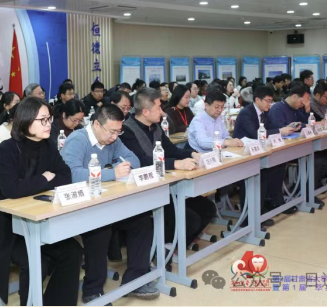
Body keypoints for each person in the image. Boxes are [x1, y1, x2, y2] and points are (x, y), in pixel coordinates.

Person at [0, 98, 81, 306]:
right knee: (35, 261)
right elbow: (12, 190)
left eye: (49, 119)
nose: (48, 124)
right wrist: (44, 179)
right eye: (42, 120)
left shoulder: (48, 146)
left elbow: (65, 176)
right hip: (5, 228)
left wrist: (35, 183)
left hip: (36, 220)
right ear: (25, 120)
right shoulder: (7, 149)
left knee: (73, 252)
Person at [60, 105, 158, 302]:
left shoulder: (113, 139)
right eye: (112, 131)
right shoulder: (78, 140)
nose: (115, 137)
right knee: (100, 230)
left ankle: (135, 280)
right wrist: (111, 172)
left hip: (106, 201)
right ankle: (92, 289)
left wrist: (111, 168)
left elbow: (134, 160)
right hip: (79, 206)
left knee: (142, 221)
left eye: (118, 131)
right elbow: (71, 174)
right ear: (97, 124)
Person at [121, 88, 214, 247]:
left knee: (208, 208)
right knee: (190, 220)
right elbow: (142, 161)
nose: (162, 112)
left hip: (164, 184)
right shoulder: (127, 130)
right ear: (145, 112)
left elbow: (171, 150)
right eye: (158, 107)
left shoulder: (155, 126)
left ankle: (174, 246)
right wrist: (176, 164)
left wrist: (192, 154)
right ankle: (160, 246)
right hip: (143, 189)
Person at [232, 86, 297, 219]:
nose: (269, 104)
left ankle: (275, 203)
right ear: (257, 100)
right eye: (267, 101)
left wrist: (285, 129)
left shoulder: (265, 112)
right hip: (243, 153)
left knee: (279, 165)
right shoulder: (246, 113)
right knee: (263, 174)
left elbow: (272, 128)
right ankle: (255, 215)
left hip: (259, 151)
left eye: (271, 101)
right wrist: (280, 131)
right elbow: (255, 134)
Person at [268, 85, 327, 203]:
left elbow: (307, 124)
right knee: (318, 162)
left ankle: (306, 190)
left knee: (326, 159)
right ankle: (305, 194)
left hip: (299, 145)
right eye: (303, 101)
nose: (304, 104)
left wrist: (307, 110)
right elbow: (283, 129)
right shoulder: (277, 109)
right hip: (283, 149)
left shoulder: (297, 108)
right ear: (294, 97)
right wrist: (301, 126)